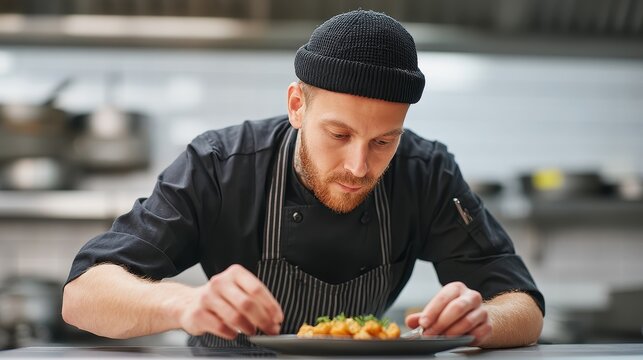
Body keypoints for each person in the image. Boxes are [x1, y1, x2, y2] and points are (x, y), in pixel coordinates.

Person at [62, 9, 544, 349]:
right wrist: (183, 304)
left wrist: (484, 320)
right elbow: (82, 296)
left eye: (384, 142)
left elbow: (523, 306)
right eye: (339, 134)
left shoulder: (426, 172)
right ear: (297, 105)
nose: (359, 166)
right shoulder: (220, 165)